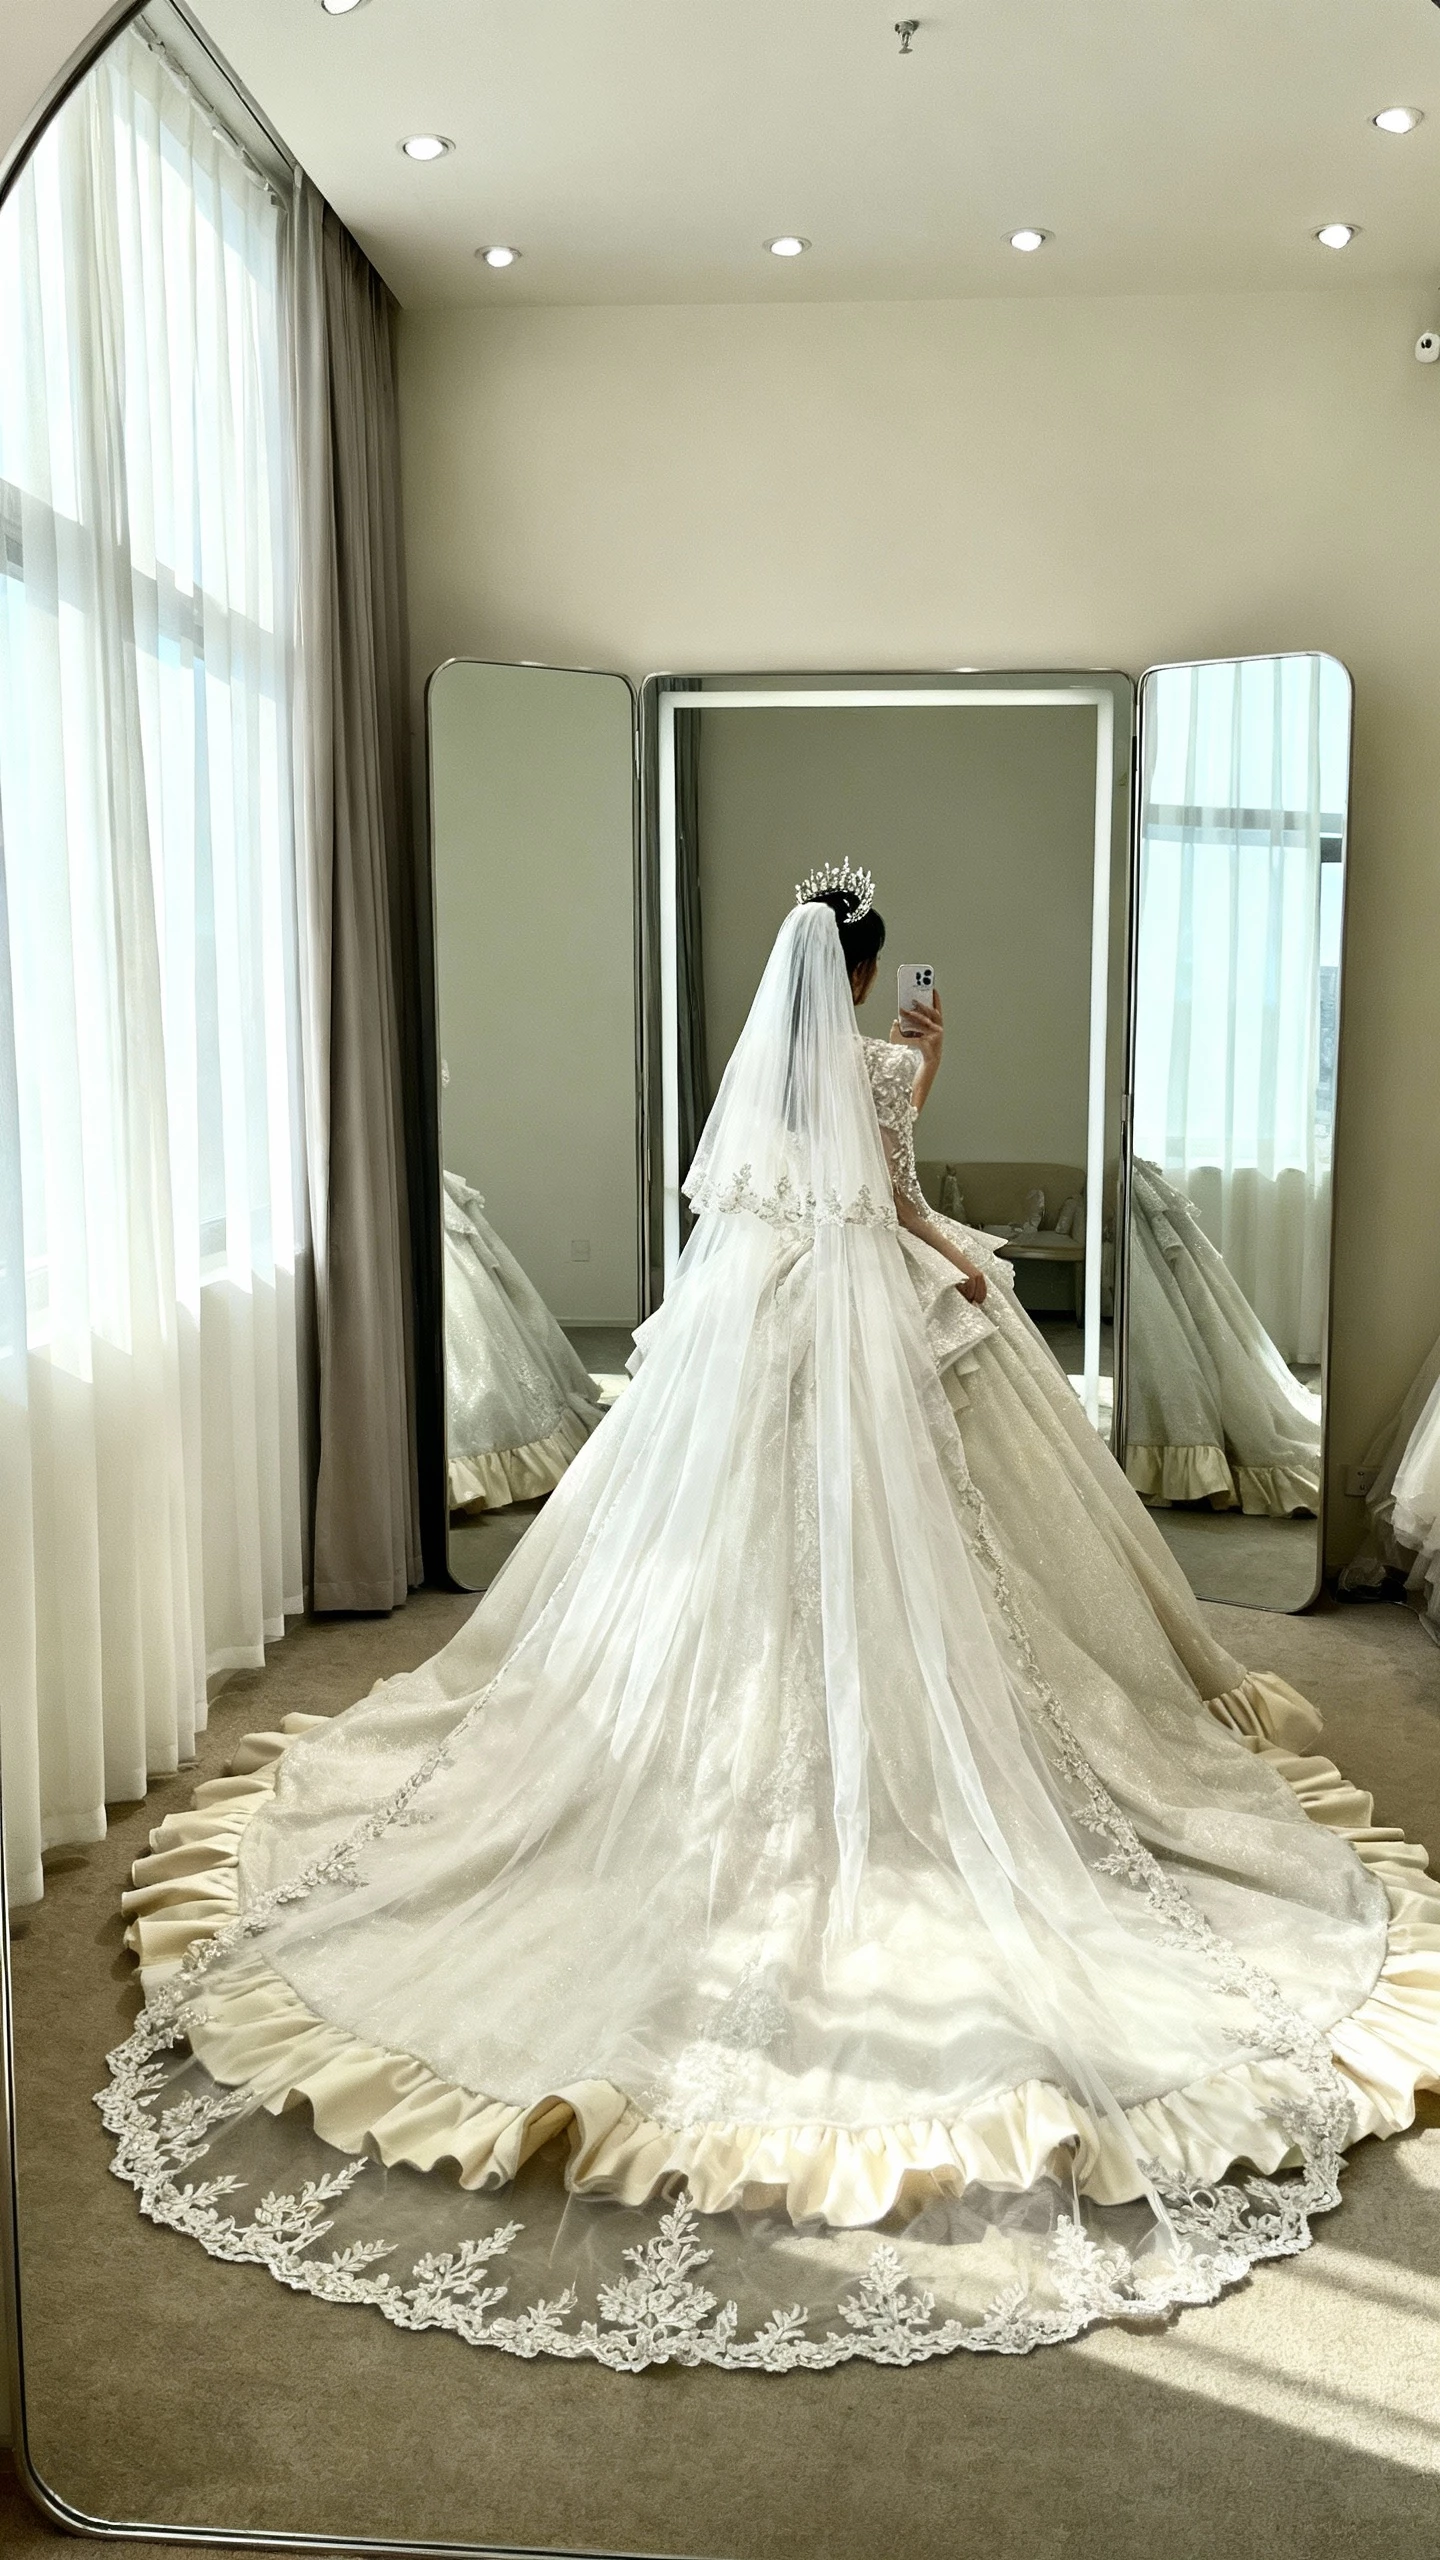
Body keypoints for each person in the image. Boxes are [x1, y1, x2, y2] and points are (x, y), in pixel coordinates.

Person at [109, 868, 1440, 2376]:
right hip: (875, 1317)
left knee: (726, 1545)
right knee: (940, 1546)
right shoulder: (882, 1066)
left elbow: (782, 1201)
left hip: (762, 1322)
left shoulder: (766, 1081)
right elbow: (898, 1203)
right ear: (867, 975)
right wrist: (957, 1219)